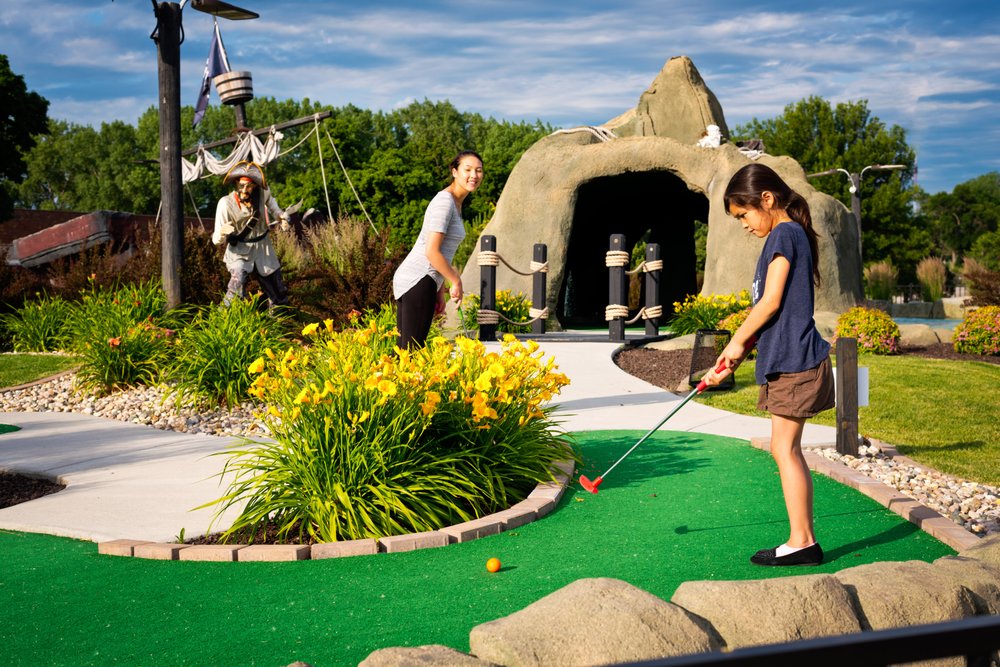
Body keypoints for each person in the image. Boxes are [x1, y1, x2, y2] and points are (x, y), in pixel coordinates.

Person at [702, 163, 835, 567]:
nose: (743, 224)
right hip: (787, 360)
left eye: (743, 215)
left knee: (785, 448)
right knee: (785, 448)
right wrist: (738, 352)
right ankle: (801, 539)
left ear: (766, 199)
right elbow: (775, 310)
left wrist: (738, 340)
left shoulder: (785, 233)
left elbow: (771, 301)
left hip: (796, 362)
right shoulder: (785, 235)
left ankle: (803, 542)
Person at [392, 150, 483, 348]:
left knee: (407, 352)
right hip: (417, 278)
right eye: (467, 169)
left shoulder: (455, 204)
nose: (474, 175)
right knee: (411, 352)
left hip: (426, 280)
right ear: (454, 172)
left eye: (478, 170)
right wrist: (455, 280)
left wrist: (439, 290)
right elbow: (432, 251)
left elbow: (441, 252)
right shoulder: (445, 203)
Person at [212, 160, 291, 310]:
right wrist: (222, 232)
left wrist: (283, 218)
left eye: (248, 186)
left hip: (263, 248)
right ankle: (222, 317)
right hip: (239, 250)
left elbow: (276, 210)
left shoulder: (263, 193)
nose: (244, 189)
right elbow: (216, 239)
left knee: (277, 290)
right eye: (241, 185)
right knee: (237, 282)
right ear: (236, 183)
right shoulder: (225, 203)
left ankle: (278, 321)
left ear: (254, 185)